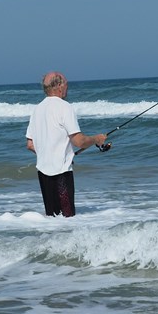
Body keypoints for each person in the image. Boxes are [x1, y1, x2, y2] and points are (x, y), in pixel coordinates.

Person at [26, 71, 107, 217]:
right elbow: (79, 141)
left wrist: (54, 154)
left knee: (53, 219)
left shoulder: (36, 110)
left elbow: (30, 145)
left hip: (43, 174)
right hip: (61, 174)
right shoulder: (64, 107)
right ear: (58, 86)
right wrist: (96, 139)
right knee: (67, 218)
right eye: (66, 84)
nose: (67, 88)